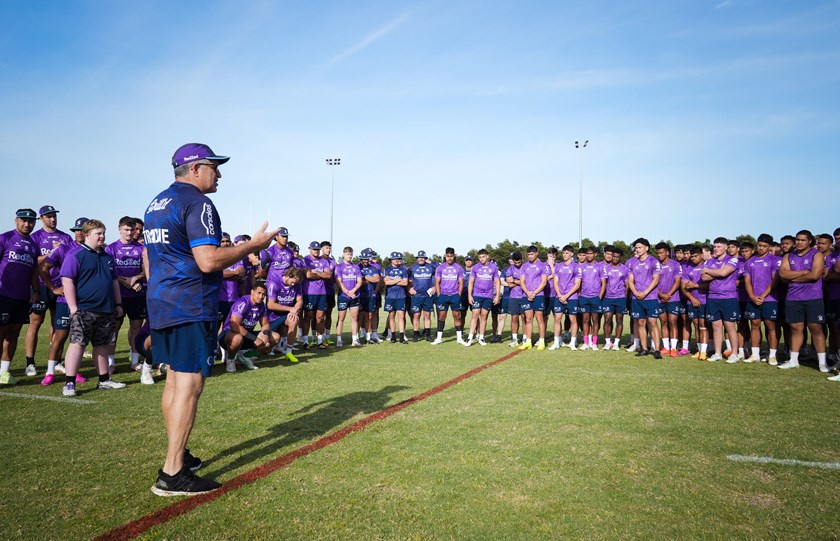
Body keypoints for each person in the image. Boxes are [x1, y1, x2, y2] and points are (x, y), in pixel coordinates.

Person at [144, 143, 277, 496]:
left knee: (174, 380)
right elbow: (207, 260)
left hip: (162, 300)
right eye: (214, 167)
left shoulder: (156, 203)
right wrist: (253, 247)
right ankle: (173, 472)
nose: (219, 173)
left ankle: (179, 455)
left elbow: (150, 258)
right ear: (196, 168)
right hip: (189, 302)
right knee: (189, 385)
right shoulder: (198, 202)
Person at [59, 219, 126, 396]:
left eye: (103, 233)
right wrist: (73, 307)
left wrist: (118, 304)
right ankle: (70, 384)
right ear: (87, 235)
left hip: (106, 309)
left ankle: (104, 380)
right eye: (98, 233)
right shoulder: (75, 255)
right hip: (84, 309)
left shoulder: (107, 257)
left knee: (102, 345)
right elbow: (67, 281)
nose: (102, 236)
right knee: (77, 344)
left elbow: (114, 282)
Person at [38, 217, 89, 385]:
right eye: (77, 229)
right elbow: (43, 267)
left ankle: (74, 372)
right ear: (74, 231)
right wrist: (53, 288)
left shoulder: (93, 251)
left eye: (83, 229)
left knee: (78, 339)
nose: (80, 232)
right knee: (60, 336)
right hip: (64, 300)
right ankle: (50, 372)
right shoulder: (64, 248)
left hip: (84, 301)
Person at [25, 205, 72, 376]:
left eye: (54, 216)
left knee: (57, 325)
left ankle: (55, 361)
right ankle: (30, 362)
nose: (53, 219)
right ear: (42, 218)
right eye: (49, 216)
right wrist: (53, 252)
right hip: (41, 285)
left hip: (61, 287)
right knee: (35, 323)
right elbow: (32, 260)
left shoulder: (65, 237)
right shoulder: (35, 237)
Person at [0, 209, 40, 385]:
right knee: (0, 333)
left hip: (22, 297)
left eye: (31, 221)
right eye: (24, 220)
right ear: (16, 220)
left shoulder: (33, 245)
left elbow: (33, 272)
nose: (27, 224)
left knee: (14, 334)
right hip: (3, 295)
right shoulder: (5, 238)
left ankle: (4, 372)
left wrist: (36, 291)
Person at [778, 230, 827, 371]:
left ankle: (822, 363)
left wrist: (791, 277)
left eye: (803, 240)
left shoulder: (816, 254)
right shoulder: (788, 256)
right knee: (795, 329)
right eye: (797, 240)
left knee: (816, 328)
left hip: (813, 297)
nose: (799, 242)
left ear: (810, 241)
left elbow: (815, 275)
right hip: (793, 298)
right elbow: (782, 275)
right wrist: (804, 272)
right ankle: (793, 360)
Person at [106, 216, 148, 374]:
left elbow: (146, 269)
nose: (130, 232)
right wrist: (126, 282)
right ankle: (110, 362)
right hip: (118, 296)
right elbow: (110, 271)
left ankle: (135, 361)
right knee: (114, 329)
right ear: (119, 229)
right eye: (126, 229)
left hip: (137, 295)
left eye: (132, 230)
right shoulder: (111, 248)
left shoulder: (141, 248)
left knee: (136, 327)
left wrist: (136, 278)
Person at [219, 283, 278, 372]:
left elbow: (265, 324)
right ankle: (230, 360)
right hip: (229, 335)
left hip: (246, 336)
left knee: (275, 337)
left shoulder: (261, 305)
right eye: (259, 293)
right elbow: (234, 325)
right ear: (252, 292)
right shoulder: (243, 303)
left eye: (264, 294)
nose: (261, 296)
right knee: (237, 338)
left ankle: (246, 357)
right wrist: (254, 338)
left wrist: (265, 335)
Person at [701, 237, 742, 363]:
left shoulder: (733, 260)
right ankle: (718, 353)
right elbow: (704, 277)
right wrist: (716, 272)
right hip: (713, 297)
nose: (716, 249)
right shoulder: (709, 261)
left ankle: (734, 353)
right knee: (716, 326)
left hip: (728, 297)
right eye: (714, 246)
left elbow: (724, 273)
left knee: (730, 326)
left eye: (719, 246)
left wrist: (710, 271)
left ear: (725, 247)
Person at [743, 234, 780, 364]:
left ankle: (772, 355)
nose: (761, 248)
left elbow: (775, 280)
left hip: (769, 299)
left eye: (764, 246)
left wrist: (764, 295)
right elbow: (747, 281)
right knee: (754, 325)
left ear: (769, 246)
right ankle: (755, 354)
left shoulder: (774, 260)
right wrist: (752, 296)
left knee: (770, 326)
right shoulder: (749, 262)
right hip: (753, 299)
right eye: (759, 245)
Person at [627, 238, 663, 359]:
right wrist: (636, 292)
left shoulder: (654, 261)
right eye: (636, 247)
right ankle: (644, 349)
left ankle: (657, 349)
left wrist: (645, 292)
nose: (637, 249)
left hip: (651, 297)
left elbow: (656, 279)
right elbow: (630, 280)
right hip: (636, 297)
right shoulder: (632, 262)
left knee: (653, 323)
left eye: (640, 247)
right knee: (640, 322)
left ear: (647, 248)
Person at [266, 267, 305, 363]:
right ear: (288, 275)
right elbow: (270, 305)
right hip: (272, 317)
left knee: (294, 320)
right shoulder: (274, 283)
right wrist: (290, 309)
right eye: (292, 282)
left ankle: (289, 352)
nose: (293, 285)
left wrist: (295, 310)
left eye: (295, 283)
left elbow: (300, 301)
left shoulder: (297, 285)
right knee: (266, 346)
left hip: (286, 315)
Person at [465, 249, 500, 346]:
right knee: (475, 315)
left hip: (488, 296)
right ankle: (470, 338)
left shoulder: (493, 268)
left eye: (483, 257)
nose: (481, 259)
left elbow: (497, 282)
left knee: (484, 316)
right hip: (477, 295)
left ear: (487, 256)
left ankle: (481, 337)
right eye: (480, 257)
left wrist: (497, 295)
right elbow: (471, 282)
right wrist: (469, 295)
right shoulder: (475, 267)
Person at [301, 241, 332, 350]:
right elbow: (308, 275)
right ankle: (305, 341)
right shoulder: (305, 259)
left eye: (318, 249)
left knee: (320, 318)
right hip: (309, 292)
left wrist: (316, 272)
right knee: (308, 317)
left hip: (322, 293)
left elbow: (328, 275)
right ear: (310, 249)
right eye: (314, 249)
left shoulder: (324, 261)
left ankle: (319, 341)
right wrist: (320, 274)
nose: (316, 251)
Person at [432, 247, 466, 345]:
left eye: (451, 256)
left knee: (457, 316)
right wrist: (439, 294)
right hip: (443, 295)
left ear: (454, 256)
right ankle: (439, 338)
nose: (449, 258)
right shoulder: (440, 268)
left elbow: (461, 282)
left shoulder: (458, 268)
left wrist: (459, 294)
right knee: (442, 316)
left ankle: (459, 338)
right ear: (445, 256)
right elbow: (437, 282)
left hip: (455, 295)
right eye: (447, 256)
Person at [518, 246, 550, 350]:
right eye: (528, 254)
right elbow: (522, 281)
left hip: (538, 295)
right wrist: (527, 292)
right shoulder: (524, 266)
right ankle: (528, 341)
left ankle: (541, 341)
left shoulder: (543, 266)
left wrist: (534, 293)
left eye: (532, 254)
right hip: (526, 296)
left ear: (537, 253)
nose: (530, 256)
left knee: (539, 318)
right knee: (528, 319)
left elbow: (544, 282)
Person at [655, 242, 683, 357]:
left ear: (667, 252)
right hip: (659, 299)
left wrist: (668, 294)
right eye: (657, 253)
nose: (659, 255)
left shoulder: (676, 265)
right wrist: (661, 294)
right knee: (663, 322)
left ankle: (673, 348)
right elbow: (653, 282)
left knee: (672, 322)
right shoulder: (656, 265)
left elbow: (678, 282)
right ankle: (666, 347)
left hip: (673, 298)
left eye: (661, 252)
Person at [681, 246, 710, 360]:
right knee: (696, 325)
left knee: (703, 326)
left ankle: (704, 351)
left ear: (702, 255)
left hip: (704, 300)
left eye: (695, 256)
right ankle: (699, 350)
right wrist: (691, 298)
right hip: (691, 301)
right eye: (691, 256)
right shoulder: (688, 268)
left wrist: (696, 285)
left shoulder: (707, 267)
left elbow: (711, 285)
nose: (693, 258)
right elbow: (683, 287)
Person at [553, 245, 582, 350]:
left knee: (573, 319)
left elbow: (577, 285)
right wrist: (560, 295)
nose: (565, 255)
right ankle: (557, 342)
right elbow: (555, 282)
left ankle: (573, 343)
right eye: (564, 253)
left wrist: (566, 296)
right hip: (559, 297)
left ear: (572, 254)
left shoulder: (576, 267)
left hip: (572, 297)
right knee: (557, 319)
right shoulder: (558, 266)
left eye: (567, 253)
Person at [577, 246, 605, 351]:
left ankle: (594, 343)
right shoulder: (581, 267)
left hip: (595, 297)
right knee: (585, 320)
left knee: (595, 320)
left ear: (595, 254)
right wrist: (579, 293)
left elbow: (604, 283)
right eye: (587, 254)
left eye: (590, 253)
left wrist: (600, 296)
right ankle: (586, 342)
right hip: (584, 297)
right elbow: (578, 282)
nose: (588, 255)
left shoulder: (600, 266)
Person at [602, 246, 629, 352]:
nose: (615, 258)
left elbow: (627, 285)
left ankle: (616, 343)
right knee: (607, 319)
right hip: (608, 298)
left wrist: (624, 298)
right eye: (613, 256)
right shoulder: (606, 268)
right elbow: (603, 283)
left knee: (619, 320)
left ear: (620, 257)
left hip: (620, 298)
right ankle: (608, 343)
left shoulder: (625, 269)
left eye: (617, 257)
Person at [334, 246, 363, 347]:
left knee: (354, 318)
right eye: (347, 254)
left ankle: (355, 339)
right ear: (343, 254)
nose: (349, 256)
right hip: (343, 296)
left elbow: (359, 281)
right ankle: (338, 339)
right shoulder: (339, 267)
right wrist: (347, 292)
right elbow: (339, 282)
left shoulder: (356, 267)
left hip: (354, 296)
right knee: (341, 318)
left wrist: (353, 291)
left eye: (351, 254)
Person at [408, 250, 435, 341]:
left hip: (428, 296)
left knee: (427, 316)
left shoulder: (431, 267)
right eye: (419, 257)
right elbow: (406, 280)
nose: (421, 259)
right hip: (416, 296)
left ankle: (427, 335)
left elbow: (437, 279)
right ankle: (416, 334)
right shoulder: (412, 268)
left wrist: (434, 287)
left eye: (423, 257)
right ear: (417, 258)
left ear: (425, 258)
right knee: (416, 315)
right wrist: (409, 288)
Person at [383, 252, 409, 343]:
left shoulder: (403, 269)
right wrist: (398, 280)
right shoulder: (387, 269)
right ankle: (393, 336)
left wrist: (392, 280)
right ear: (391, 260)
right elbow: (386, 282)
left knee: (401, 316)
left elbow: (405, 283)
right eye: (395, 259)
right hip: (390, 296)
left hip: (401, 296)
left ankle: (402, 336)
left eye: (398, 259)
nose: (397, 260)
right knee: (391, 316)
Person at [358, 249, 382, 343]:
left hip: (370, 294)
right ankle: (358, 336)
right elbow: (357, 281)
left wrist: (366, 278)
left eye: (367, 259)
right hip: (360, 295)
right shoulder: (357, 267)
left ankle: (369, 336)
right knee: (360, 315)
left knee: (370, 315)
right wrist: (365, 280)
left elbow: (377, 279)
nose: (366, 260)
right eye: (364, 259)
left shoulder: (374, 267)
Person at [505, 252, 526, 347]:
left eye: (519, 262)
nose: (517, 264)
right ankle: (514, 339)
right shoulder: (510, 269)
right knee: (514, 318)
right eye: (515, 262)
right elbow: (509, 284)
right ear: (513, 261)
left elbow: (527, 282)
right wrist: (521, 282)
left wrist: (514, 280)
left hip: (524, 296)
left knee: (524, 317)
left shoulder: (526, 267)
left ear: (522, 260)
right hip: (513, 296)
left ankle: (525, 338)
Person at [320, 241, 337, 345]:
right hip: (320, 292)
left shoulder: (333, 261)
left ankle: (327, 335)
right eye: (326, 248)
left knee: (329, 314)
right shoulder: (319, 260)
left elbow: (334, 277)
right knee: (319, 315)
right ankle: (317, 336)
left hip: (330, 292)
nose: (328, 250)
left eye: (330, 248)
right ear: (322, 248)